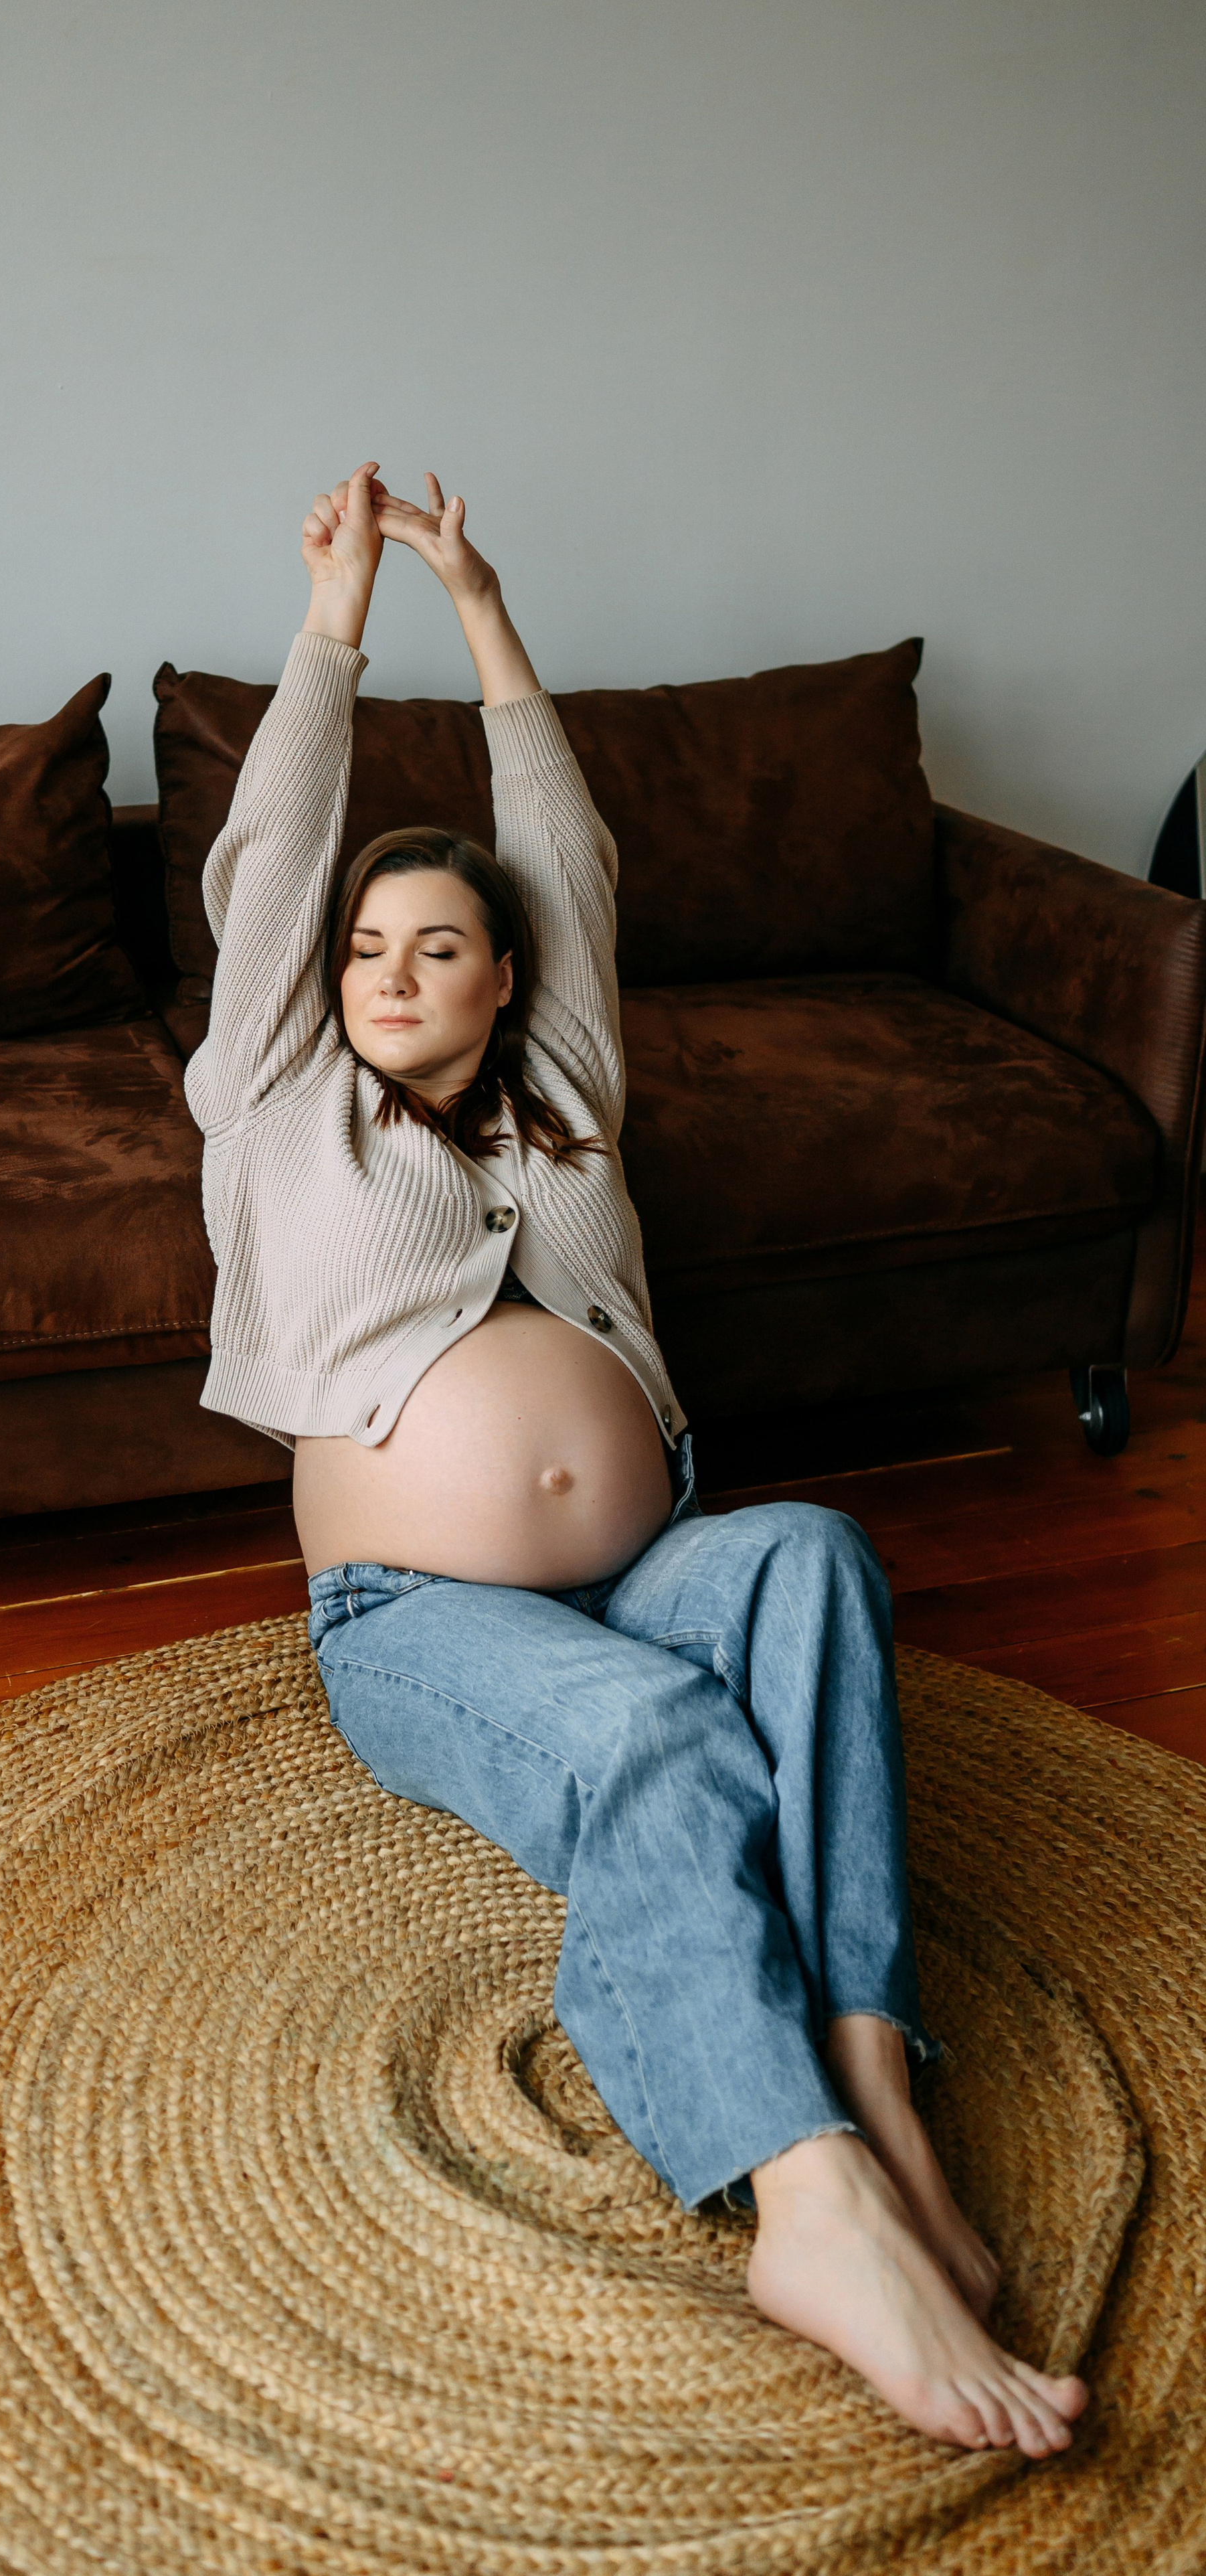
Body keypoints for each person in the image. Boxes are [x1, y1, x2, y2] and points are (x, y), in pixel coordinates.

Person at [183, 459, 1090, 2458]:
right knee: (668, 1747)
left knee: (812, 1558)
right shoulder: (275, 1105)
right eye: (367, 954)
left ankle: (869, 2070)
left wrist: (485, 608)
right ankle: (808, 2199)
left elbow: (567, 849)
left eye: (441, 948)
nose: (395, 975)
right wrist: (341, 616)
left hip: (645, 1559)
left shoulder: (567, 1091)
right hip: (419, 1615)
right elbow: (268, 856)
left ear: (506, 980)